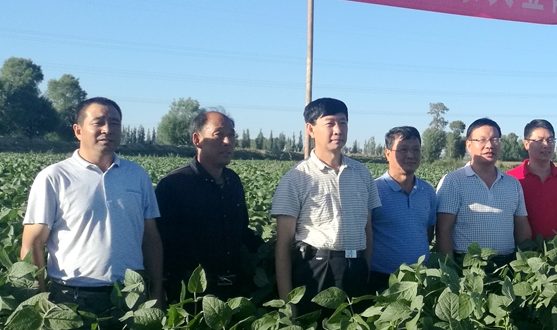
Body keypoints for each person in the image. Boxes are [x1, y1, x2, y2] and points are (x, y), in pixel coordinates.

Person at [20, 97, 163, 314]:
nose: (107, 129)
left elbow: (150, 237)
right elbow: (33, 243)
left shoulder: (137, 175)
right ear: (78, 131)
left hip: (132, 294)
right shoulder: (55, 177)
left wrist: (156, 291)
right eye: (98, 122)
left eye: (114, 123)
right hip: (73, 296)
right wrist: (36, 300)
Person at [271, 98, 380, 306]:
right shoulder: (297, 177)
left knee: (357, 325)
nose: (338, 130)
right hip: (316, 269)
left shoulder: (362, 173)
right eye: (330, 123)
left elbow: (367, 229)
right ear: (310, 129)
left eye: (343, 122)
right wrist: (287, 302)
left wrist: (364, 269)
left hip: (356, 267)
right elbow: (284, 243)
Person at [155, 110, 261, 300]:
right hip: (190, 295)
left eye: (231, 135)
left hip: (235, 290)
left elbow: (241, 232)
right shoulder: (174, 185)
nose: (227, 142)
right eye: (218, 135)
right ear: (197, 140)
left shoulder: (233, 181)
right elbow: (160, 243)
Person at [436, 118, 531, 261]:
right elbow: (443, 229)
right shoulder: (453, 181)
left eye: (495, 140)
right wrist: (449, 266)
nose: (489, 145)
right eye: (482, 140)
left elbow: (521, 226)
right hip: (467, 264)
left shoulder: (512, 184)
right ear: (468, 145)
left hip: (507, 264)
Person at [368, 126, 438, 291]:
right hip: (381, 278)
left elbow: (428, 232)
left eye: (416, 150)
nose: (410, 155)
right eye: (403, 149)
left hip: (420, 278)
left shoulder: (427, 191)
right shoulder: (374, 190)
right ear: (387, 154)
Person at [507, 118, 557, 239]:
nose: (546, 145)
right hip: (521, 248)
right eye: (539, 140)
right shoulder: (511, 179)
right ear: (526, 144)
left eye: (550, 140)